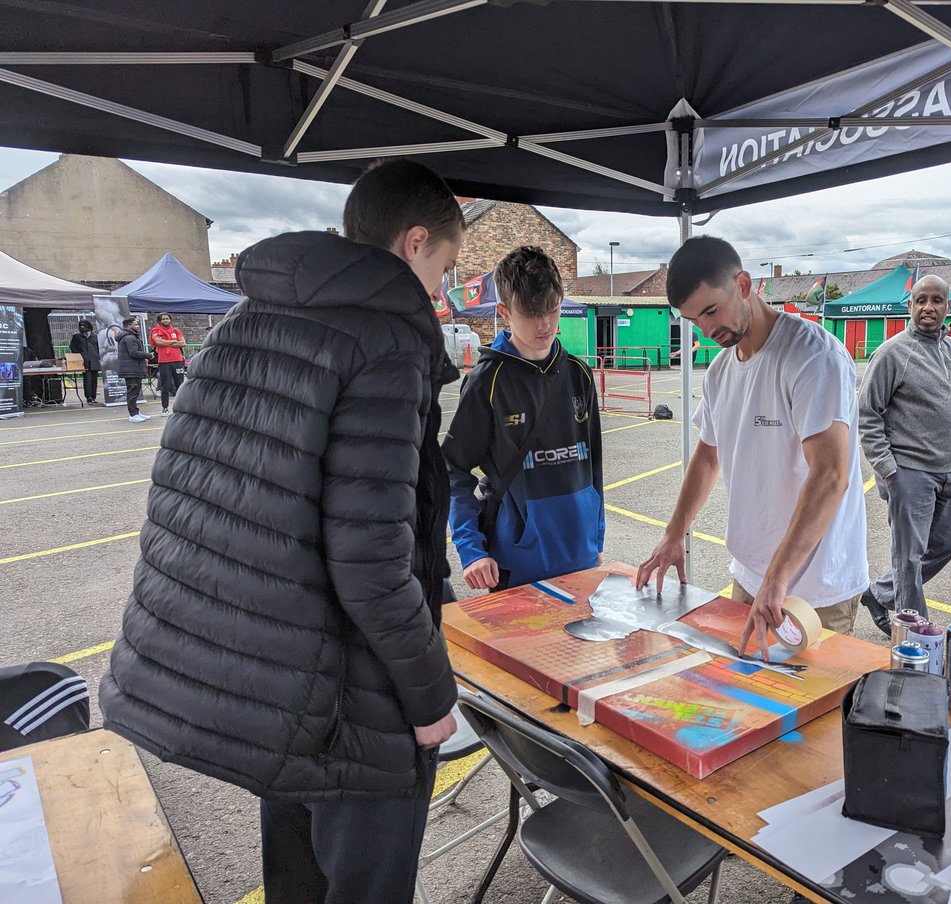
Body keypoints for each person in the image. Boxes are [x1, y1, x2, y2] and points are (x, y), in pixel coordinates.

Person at [100, 159, 463, 904]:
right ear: (415, 241)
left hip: (280, 688)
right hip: (349, 695)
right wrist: (431, 701)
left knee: (294, 880)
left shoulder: (249, 317)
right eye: (446, 267)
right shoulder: (387, 341)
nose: (443, 291)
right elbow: (371, 559)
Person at [635, 236, 868, 659]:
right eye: (693, 321)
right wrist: (673, 534)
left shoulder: (812, 357)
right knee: (739, 705)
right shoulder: (721, 370)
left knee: (802, 716)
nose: (707, 330)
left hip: (814, 587)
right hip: (751, 576)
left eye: (711, 310)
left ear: (743, 284)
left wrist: (777, 579)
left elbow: (831, 476)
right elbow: (708, 457)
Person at [443, 246, 604, 592]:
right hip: (517, 569)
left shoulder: (580, 374)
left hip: (582, 560)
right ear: (504, 311)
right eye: (531, 313)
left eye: (552, 309)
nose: (545, 323)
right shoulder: (486, 380)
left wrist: (597, 536)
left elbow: (594, 465)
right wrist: (471, 551)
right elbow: (453, 470)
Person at [857, 276, 951, 634]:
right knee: (908, 557)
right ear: (909, 306)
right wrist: (889, 470)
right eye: (921, 300)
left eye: (937, 300)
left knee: (946, 545)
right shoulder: (893, 353)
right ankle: (913, 633)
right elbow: (867, 413)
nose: (928, 307)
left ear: (948, 307)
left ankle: (879, 593)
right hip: (909, 471)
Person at [115, 316, 152, 422]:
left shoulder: (131, 336)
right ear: (129, 325)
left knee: (135, 391)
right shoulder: (129, 337)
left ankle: (136, 411)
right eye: (135, 324)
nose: (138, 326)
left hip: (134, 368)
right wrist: (148, 355)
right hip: (130, 369)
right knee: (132, 391)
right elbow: (134, 352)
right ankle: (133, 414)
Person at [149, 313, 186, 416]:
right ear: (159, 321)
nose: (166, 320)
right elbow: (159, 342)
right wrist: (174, 341)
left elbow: (183, 343)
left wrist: (168, 342)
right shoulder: (155, 331)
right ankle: (165, 408)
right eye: (163, 319)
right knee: (165, 385)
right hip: (164, 362)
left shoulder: (176, 330)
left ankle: (182, 408)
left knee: (180, 385)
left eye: (167, 318)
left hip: (177, 360)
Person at [68, 319, 102, 404]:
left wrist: (97, 355)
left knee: (94, 379)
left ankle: (93, 396)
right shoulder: (77, 336)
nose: (82, 327)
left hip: (94, 360)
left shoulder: (95, 336)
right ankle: (88, 397)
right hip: (84, 360)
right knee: (87, 379)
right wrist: (79, 355)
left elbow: (99, 347)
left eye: (84, 326)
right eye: (80, 326)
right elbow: (73, 347)